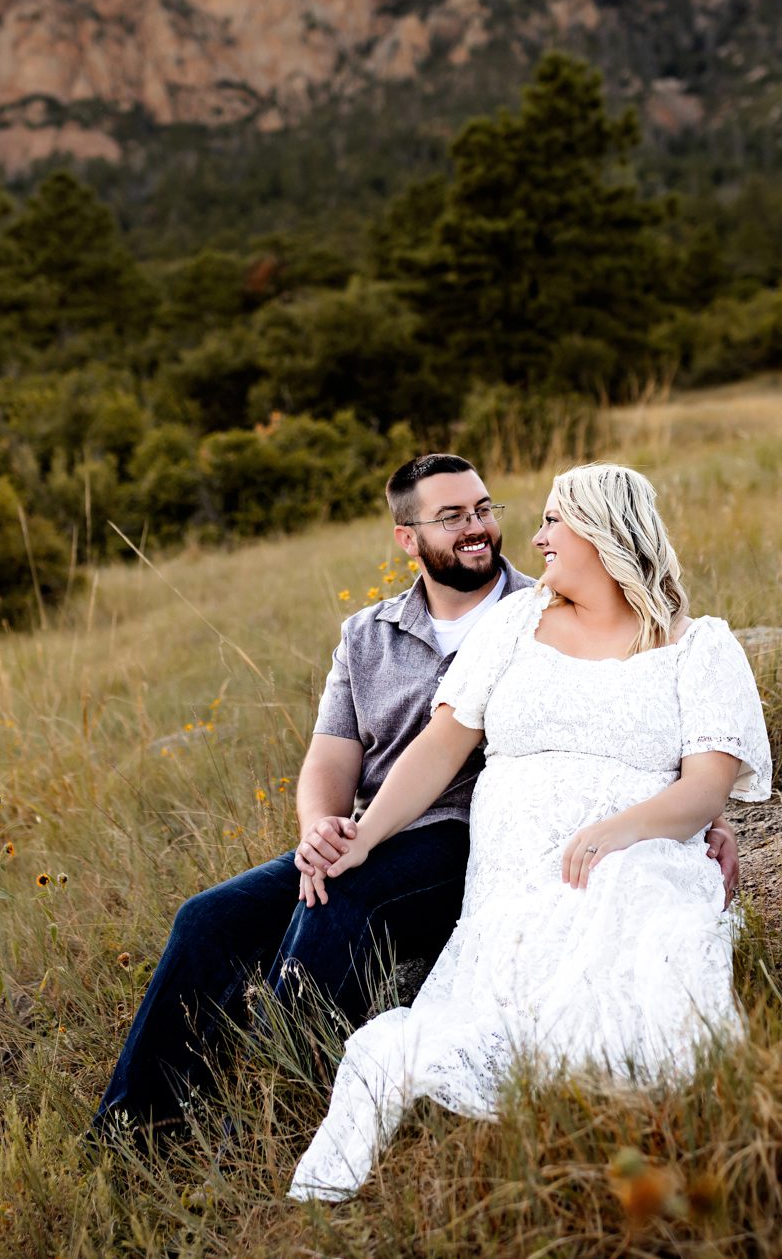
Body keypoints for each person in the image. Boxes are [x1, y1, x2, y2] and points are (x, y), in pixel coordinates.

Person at [93, 452, 742, 1140]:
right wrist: (329, 829)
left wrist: (707, 814)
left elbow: (640, 730)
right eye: (454, 516)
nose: (482, 528)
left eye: (486, 510)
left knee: (338, 900)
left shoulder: (547, 603)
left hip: (462, 837)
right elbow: (337, 754)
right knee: (209, 918)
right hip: (387, 822)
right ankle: (132, 1130)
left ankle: (264, 1112)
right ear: (408, 537)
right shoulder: (372, 634)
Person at [288, 461, 773, 1201]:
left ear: (605, 533)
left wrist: (617, 830)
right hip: (513, 872)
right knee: (497, 1005)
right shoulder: (517, 622)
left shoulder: (700, 646)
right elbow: (440, 747)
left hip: (630, 853)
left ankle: (639, 1143)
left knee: (635, 971)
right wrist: (364, 831)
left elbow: (705, 785)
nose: (537, 537)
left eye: (553, 520)